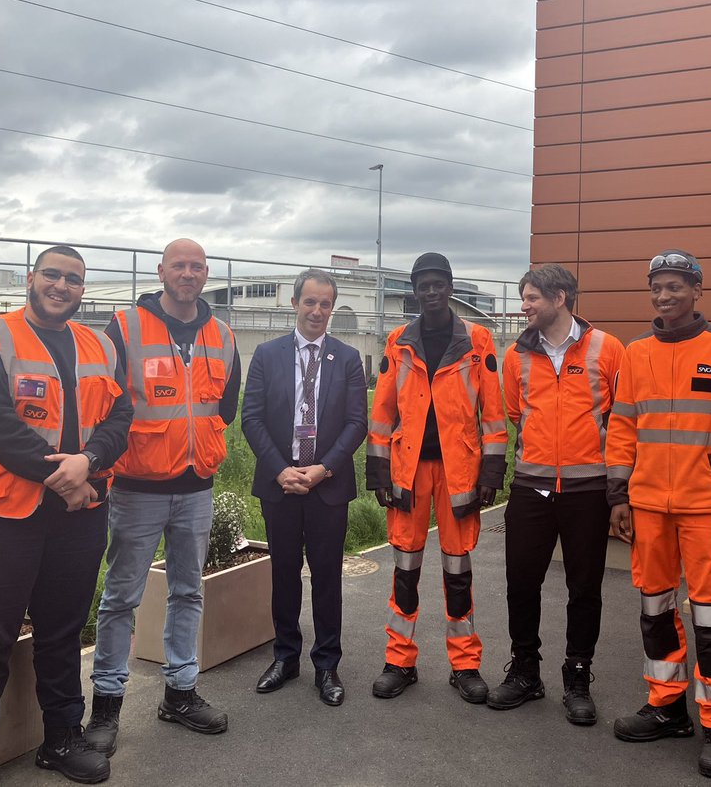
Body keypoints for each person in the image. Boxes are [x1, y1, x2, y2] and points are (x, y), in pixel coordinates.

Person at [0, 245, 132, 787]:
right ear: (31, 278)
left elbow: (122, 414)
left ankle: (62, 740)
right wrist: (67, 481)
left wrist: (89, 464)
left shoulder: (100, 344)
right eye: (52, 275)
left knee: (63, 629)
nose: (61, 286)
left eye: (73, 279)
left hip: (78, 508)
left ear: (82, 289)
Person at [606, 250, 711, 780]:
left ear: (698, 291)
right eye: (657, 287)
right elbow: (622, 429)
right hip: (648, 506)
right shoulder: (635, 354)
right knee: (654, 608)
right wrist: (618, 495)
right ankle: (666, 706)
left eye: (675, 286)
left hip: (707, 509)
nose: (664, 295)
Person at [86, 238, 240, 754]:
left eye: (197, 266)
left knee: (189, 592)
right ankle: (106, 706)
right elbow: (104, 406)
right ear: (162, 271)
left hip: (196, 488)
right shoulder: (125, 327)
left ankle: (180, 692)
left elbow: (226, 407)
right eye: (180, 265)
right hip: (137, 489)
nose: (188, 273)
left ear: (206, 274)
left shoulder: (222, 334)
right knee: (121, 599)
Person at [366, 252, 508, 703]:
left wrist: (491, 471)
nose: (431, 292)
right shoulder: (398, 340)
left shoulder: (477, 339)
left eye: (438, 284)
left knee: (458, 568)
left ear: (449, 287)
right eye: (423, 285)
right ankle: (399, 661)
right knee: (404, 568)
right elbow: (383, 411)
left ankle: (465, 664)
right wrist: (379, 471)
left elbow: (493, 415)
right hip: (408, 470)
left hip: (459, 471)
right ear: (415, 290)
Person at [488, 264, 623, 723]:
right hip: (530, 488)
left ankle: (578, 676)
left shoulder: (608, 349)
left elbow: (623, 420)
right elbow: (514, 413)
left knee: (584, 588)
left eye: (531, 298)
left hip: (589, 491)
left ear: (560, 297)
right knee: (521, 583)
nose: (524, 306)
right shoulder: (515, 355)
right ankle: (525, 672)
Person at [241, 269, 368, 706]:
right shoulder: (266, 354)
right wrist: (280, 469)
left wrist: (323, 469)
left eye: (325, 304)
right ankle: (286, 656)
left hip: (326, 486)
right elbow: (251, 418)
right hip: (280, 484)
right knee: (284, 574)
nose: (317, 311)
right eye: (310, 302)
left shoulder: (348, 357)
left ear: (332, 308)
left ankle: (327, 664)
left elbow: (357, 423)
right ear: (294, 303)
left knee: (328, 578)